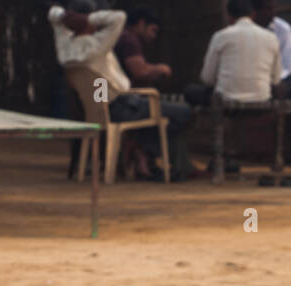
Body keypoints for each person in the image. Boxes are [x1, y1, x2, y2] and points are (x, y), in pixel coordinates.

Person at [48, 2, 191, 181]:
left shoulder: (64, 50)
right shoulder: (98, 44)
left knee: (160, 114)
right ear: (91, 22)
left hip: (98, 109)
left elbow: (53, 13)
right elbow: (119, 17)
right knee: (184, 113)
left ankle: (139, 154)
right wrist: (86, 19)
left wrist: (63, 17)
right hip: (122, 105)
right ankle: (143, 151)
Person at [185, 0, 281, 107]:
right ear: (253, 14)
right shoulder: (271, 38)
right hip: (262, 101)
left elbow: (207, 79)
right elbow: (276, 80)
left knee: (191, 91)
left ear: (229, 16)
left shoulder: (220, 36)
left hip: (226, 104)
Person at [253, 0, 291, 99]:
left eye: (274, 8)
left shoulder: (283, 30)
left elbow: (286, 67)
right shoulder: (246, 30)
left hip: (274, 82)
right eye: (268, 9)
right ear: (256, 11)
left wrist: (274, 82)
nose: (273, 12)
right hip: (253, 80)